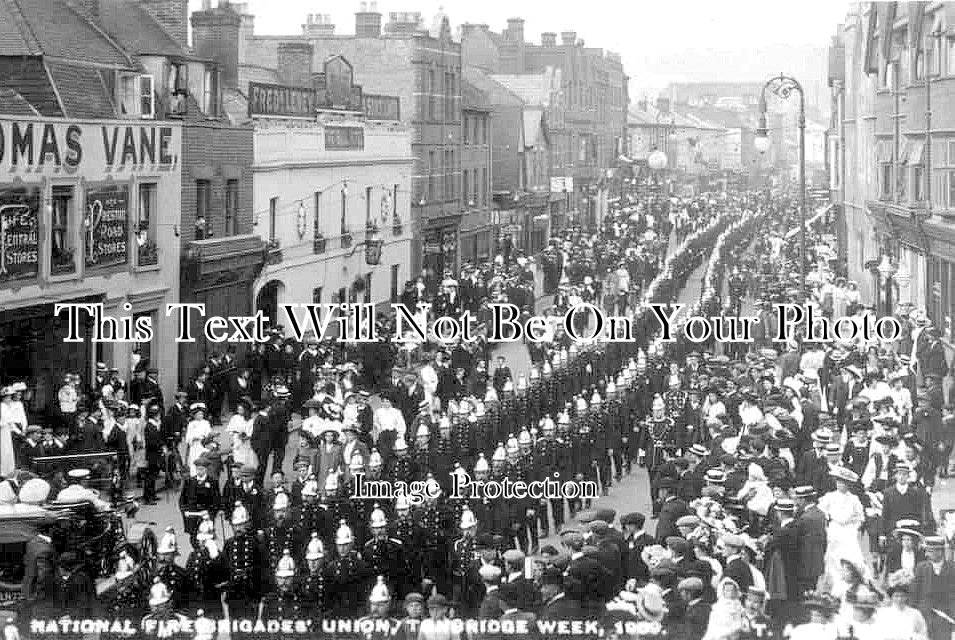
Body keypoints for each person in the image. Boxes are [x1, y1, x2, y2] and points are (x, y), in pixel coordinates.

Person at [818, 466, 865, 580]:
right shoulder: (830, 496)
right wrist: (827, 521)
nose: (840, 485)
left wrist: (854, 528)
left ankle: (850, 578)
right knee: (833, 555)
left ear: (848, 485)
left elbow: (860, 517)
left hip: (848, 530)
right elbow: (820, 511)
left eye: (843, 483)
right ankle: (833, 580)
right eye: (838, 482)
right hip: (834, 528)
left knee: (850, 554)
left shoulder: (854, 499)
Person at [912, 536, 955, 640]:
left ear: (940, 551)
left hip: (946, 616)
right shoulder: (921, 567)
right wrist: (914, 614)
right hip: (925, 615)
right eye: (926, 551)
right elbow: (915, 592)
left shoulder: (953, 568)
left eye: (930, 551)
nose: (926, 554)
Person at [875, 569, 928, 640]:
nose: (899, 599)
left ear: (906, 597)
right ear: (892, 597)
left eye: (902, 596)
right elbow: (877, 633)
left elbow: (923, 634)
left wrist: (913, 637)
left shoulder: (915, 614)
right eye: (896, 596)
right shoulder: (882, 613)